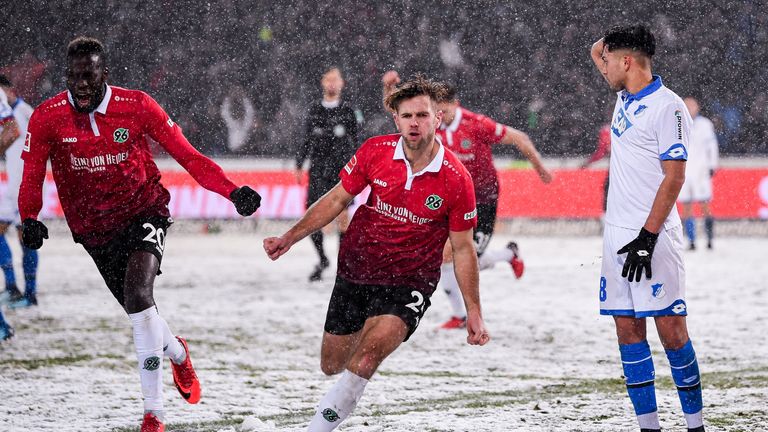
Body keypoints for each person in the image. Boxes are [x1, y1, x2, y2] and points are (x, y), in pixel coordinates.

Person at [18, 37, 262, 432]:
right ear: (67, 76)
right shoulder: (47, 118)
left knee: (138, 295)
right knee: (141, 313)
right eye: (75, 77)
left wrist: (232, 191)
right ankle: (178, 353)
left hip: (143, 212)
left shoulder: (137, 106)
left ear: (104, 75)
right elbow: (31, 175)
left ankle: (154, 414)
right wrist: (29, 217)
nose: (82, 85)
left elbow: (188, 156)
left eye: (90, 76)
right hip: (93, 230)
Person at [265, 75, 489, 432]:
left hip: (410, 281)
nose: (415, 123)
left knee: (368, 356)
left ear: (438, 119)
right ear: (395, 119)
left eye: (423, 115)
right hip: (358, 268)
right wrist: (291, 237)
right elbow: (337, 199)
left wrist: (474, 311)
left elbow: (463, 249)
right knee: (331, 364)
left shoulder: (456, 179)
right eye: (407, 116)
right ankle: (354, 369)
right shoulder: (375, 151)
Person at [590, 26, 704, 432]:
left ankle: (695, 425)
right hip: (617, 236)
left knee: (671, 332)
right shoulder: (624, 95)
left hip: (653, 236)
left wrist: (648, 237)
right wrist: (616, 37)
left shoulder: (669, 108)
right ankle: (649, 427)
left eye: (609, 62)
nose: (601, 68)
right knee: (627, 330)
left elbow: (673, 179)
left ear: (627, 61)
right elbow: (595, 49)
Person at [384, 71, 553, 329]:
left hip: (483, 199)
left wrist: (540, 168)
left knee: (469, 257)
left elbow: (520, 137)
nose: (437, 116)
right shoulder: (431, 124)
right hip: (449, 199)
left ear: (454, 104)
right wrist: (390, 89)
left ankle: (508, 254)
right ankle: (460, 315)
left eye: (441, 110)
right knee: (446, 257)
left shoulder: (476, 124)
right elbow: (401, 119)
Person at [296, 66, 360, 281]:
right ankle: (323, 259)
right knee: (313, 217)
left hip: (342, 171)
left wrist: (360, 166)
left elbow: (357, 141)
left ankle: (343, 264)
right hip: (318, 170)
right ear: (323, 83)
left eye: (336, 79)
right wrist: (299, 164)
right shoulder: (314, 110)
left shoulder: (349, 111)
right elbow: (306, 139)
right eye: (328, 79)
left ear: (342, 83)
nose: (332, 83)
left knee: (343, 219)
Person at [0, 75, 38, 309]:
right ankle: (13, 287)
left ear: (9, 89)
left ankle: (28, 294)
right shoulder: (6, 114)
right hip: (13, 186)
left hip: (26, 186)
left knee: (27, 239)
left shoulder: (25, 112)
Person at [678, 97, 719, 250]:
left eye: (692, 105)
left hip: (701, 171)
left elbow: (712, 146)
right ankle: (692, 241)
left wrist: (712, 165)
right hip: (683, 172)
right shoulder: (678, 123)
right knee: (686, 206)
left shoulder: (705, 125)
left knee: (705, 205)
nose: (689, 108)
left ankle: (709, 240)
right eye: (686, 105)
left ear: (698, 107)